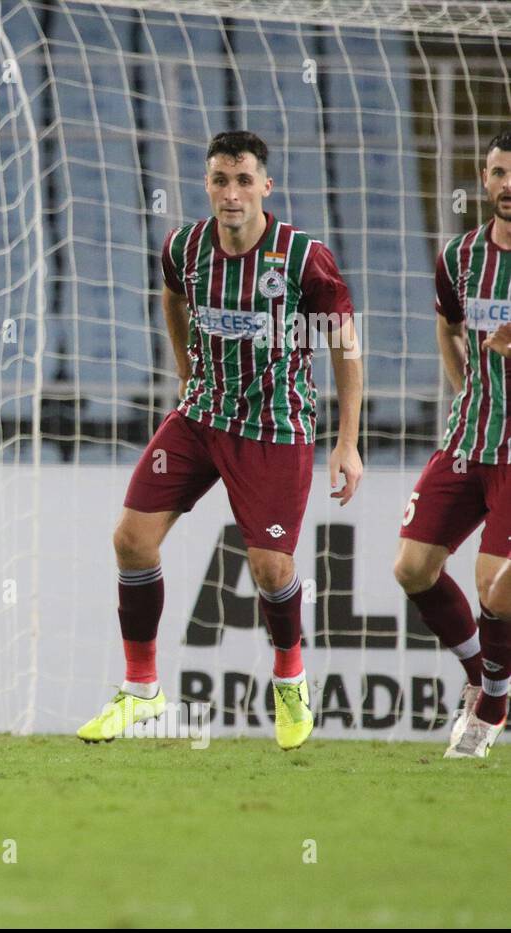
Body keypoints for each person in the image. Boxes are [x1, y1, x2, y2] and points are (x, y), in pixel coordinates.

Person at [77, 130, 363, 751]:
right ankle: (141, 687)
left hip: (274, 427)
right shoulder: (184, 247)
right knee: (131, 539)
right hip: (202, 415)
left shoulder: (301, 259)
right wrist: (185, 373)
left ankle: (289, 675)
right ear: (206, 184)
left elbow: (344, 345)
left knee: (270, 567)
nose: (230, 194)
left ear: (266, 185)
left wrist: (347, 442)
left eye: (242, 181)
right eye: (219, 180)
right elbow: (173, 299)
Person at [429, 131, 511, 759]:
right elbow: (449, 324)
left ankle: (492, 704)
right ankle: (478, 675)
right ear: (483, 179)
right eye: (496, 173)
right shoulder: (459, 255)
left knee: (495, 588)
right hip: (468, 439)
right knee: (411, 568)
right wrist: (468, 391)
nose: (506, 185)